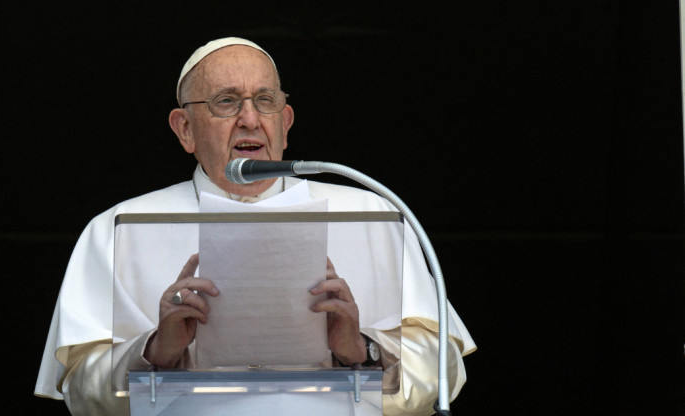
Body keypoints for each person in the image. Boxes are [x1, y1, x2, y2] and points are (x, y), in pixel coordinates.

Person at [34, 37, 476, 415]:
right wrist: (155, 352)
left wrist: (361, 349)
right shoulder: (118, 228)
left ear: (284, 123)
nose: (249, 118)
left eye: (265, 101)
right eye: (226, 101)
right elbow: (80, 393)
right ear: (185, 128)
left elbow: (443, 371)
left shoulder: (373, 214)